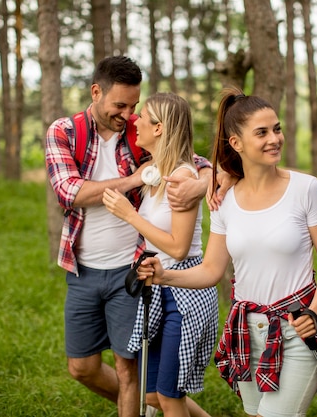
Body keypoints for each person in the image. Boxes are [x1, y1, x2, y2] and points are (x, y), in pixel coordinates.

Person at [138, 87, 317, 417]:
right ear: (236, 143)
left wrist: (314, 312)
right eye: (261, 133)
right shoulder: (224, 200)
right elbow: (211, 270)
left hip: (296, 329)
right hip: (246, 332)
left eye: (276, 129)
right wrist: (165, 275)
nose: (274, 138)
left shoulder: (306, 189)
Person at [45, 56, 212, 417]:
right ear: (96, 92)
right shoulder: (64, 132)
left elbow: (192, 158)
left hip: (133, 272)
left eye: (134, 106)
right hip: (82, 271)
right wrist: (134, 180)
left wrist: (202, 183)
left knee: (130, 371)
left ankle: (144, 409)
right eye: (120, 105)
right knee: (82, 367)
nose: (128, 114)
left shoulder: (139, 129)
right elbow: (69, 192)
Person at [102, 92, 218, 417]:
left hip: (184, 291)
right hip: (159, 287)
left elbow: (179, 247)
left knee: (168, 396)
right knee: (153, 395)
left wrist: (130, 215)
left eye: (143, 116)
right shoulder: (155, 171)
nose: (135, 120)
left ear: (160, 128)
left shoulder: (181, 177)